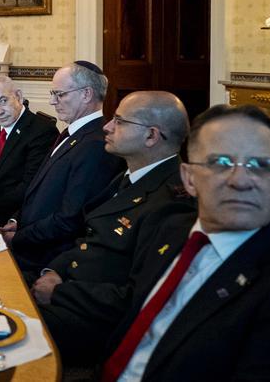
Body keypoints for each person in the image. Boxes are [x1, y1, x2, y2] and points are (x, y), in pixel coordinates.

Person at [52, 105, 270, 380]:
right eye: (221, 163)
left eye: (259, 165)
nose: (240, 180)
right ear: (189, 179)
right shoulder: (170, 228)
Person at [37, 92, 195, 363]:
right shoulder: (130, 176)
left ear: (151, 136)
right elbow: (89, 239)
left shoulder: (172, 202)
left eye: (120, 121)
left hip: (93, 323)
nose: (107, 126)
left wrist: (59, 292)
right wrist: (54, 270)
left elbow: (136, 298)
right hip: (71, 289)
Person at [1, 61, 123, 276]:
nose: (52, 101)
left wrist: (19, 238)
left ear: (86, 94)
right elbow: (41, 190)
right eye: (52, 93)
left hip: (44, 260)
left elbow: (70, 218)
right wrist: (17, 220)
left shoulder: (95, 144)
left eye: (59, 94)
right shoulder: (72, 133)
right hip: (30, 243)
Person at [0, 75, 59, 224]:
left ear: (18, 96)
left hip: (14, 215)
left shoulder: (41, 131)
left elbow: (30, 187)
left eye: (3, 101)